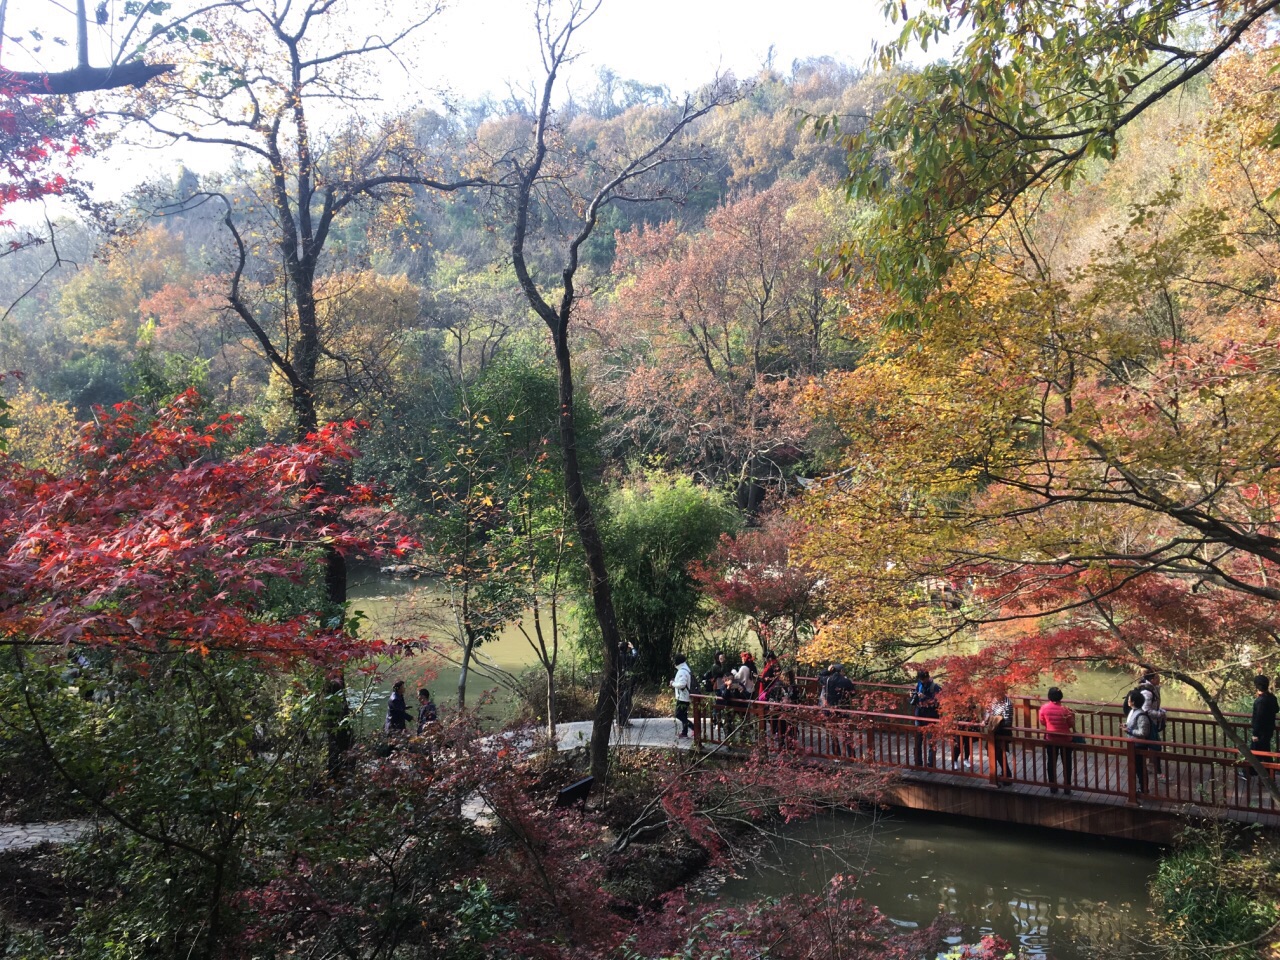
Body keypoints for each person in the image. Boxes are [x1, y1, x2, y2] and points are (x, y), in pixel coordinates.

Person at [1038, 687, 1076, 794]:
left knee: (1051, 762)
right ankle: (1067, 787)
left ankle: (1053, 786)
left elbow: (1042, 721)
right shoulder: (1065, 710)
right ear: (1061, 696)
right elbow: (1070, 724)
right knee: (1067, 763)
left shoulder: (1044, 708)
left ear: (1049, 696)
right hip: (1066, 740)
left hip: (1051, 738)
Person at [1245, 674, 1279, 782]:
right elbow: (1276, 709)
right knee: (1264, 752)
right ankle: (1260, 773)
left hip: (1260, 732)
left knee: (1256, 753)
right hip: (1269, 730)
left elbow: (1258, 719)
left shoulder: (1260, 701)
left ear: (1257, 686)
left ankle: (1252, 773)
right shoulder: (1272, 698)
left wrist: (1255, 734)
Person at [1125, 689, 1156, 795]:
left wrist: (1129, 730)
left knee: (1140, 768)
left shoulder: (1141, 715)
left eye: (1129, 699)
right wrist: (1127, 727)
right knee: (1136, 768)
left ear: (1133, 702)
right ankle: (1140, 788)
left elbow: (1143, 732)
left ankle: (1143, 789)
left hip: (1139, 746)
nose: (1127, 701)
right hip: (1133, 744)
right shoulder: (1134, 712)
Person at [909, 670, 942, 768]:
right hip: (919, 715)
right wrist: (913, 696)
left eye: (923, 679)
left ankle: (931, 764)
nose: (922, 681)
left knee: (931, 741)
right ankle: (918, 763)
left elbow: (938, 701)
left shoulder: (935, 687)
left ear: (927, 677)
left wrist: (925, 698)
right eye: (921, 679)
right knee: (918, 741)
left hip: (931, 716)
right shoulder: (919, 685)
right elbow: (915, 698)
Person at [1137, 667, 1166, 777]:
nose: (1159, 679)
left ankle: (1149, 768)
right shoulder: (1147, 692)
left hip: (1149, 722)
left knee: (1149, 746)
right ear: (1152, 679)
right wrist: (1159, 714)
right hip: (1148, 723)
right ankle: (1157, 773)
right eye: (1157, 677)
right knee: (1156, 746)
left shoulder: (1152, 688)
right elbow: (1146, 709)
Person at [985, 690, 1014, 783]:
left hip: (1002, 732)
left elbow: (1008, 722)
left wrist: (997, 723)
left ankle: (1006, 775)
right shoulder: (993, 700)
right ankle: (1004, 774)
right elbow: (988, 713)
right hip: (993, 731)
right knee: (994, 752)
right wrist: (986, 720)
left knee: (1000, 753)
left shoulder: (1007, 703)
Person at [671, 654, 693, 738]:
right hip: (684, 696)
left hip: (683, 697)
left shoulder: (682, 671)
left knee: (679, 714)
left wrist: (672, 683)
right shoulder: (685, 669)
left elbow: (682, 684)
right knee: (684, 715)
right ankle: (684, 732)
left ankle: (694, 728)